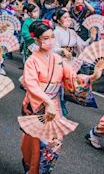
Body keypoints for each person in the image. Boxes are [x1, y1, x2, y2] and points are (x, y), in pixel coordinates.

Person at [21, 20, 103, 174]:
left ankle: (42, 171)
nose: (50, 41)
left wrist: (93, 76)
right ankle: (31, 167)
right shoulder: (32, 61)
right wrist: (46, 102)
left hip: (54, 105)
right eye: (45, 38)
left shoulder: (58, 60)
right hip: (37, 106)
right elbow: (31, 85)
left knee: (53, 143)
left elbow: (72, 78)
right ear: (36, 40)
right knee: (33, 144)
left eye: (52, 37)